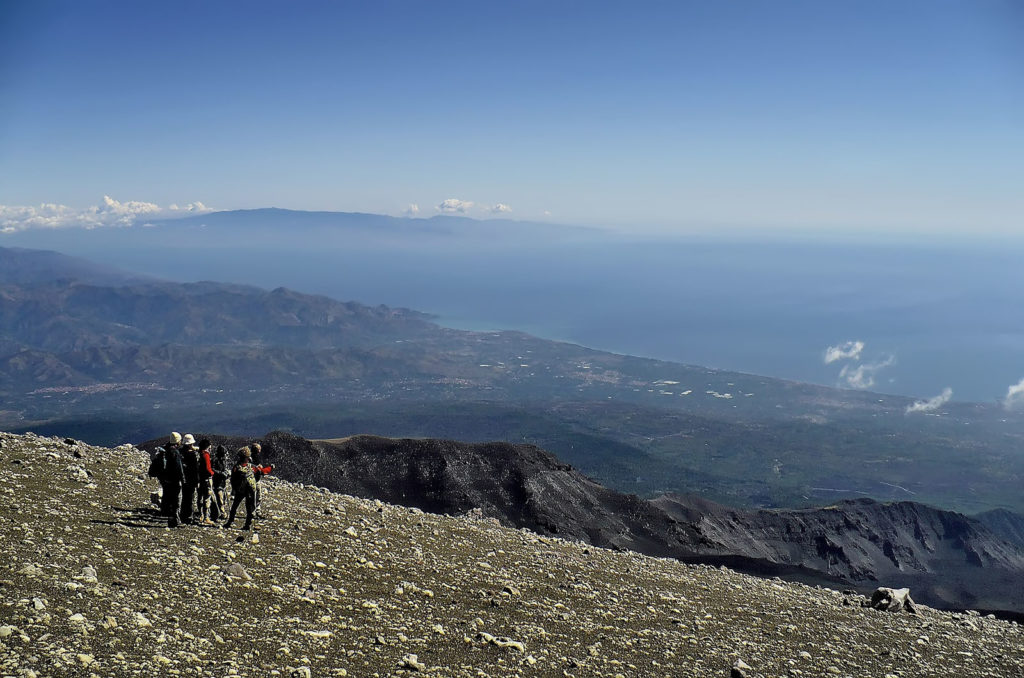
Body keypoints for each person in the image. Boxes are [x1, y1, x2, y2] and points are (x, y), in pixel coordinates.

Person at [224, 447, 257, 530]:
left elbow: (233, 479)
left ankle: (230, 521)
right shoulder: (252, 467)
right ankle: (247, 524)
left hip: (240, 489)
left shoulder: (236, 467)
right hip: (250, 490)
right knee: (249, 508)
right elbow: (261, 472)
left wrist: (234, 489)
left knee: (235, 506)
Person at [158, 432, 184, 527]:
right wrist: (183, 480)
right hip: (174, 480)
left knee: (169, 499)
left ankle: (170, 519)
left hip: (166, 480)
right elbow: (179, 468)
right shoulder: (175, 452)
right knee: (176, 501)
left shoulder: (166, 450)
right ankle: (175, 521)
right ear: (177, 441)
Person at [179, 434, 200, 525]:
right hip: (191, 479)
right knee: (190, 498)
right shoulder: (192, 455)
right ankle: (188, 516)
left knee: (185, 497)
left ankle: (183, 515)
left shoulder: (180, 452)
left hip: (183, 479)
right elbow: (195, 469)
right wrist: (197, 481)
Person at [196, 439, 216, 525]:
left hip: (199, 479)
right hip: (207, 479)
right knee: (207, 498)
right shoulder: (206, 455)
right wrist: (212, 473)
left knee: (200, 497)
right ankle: (206, 517)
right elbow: (208, 468)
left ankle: (200, 515)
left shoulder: (199, 454)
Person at [211, 444, 229, 522]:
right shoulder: (215, 460)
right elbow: (212, 469)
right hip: (217, 482)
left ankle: (221, 512)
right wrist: (221, 473)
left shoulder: (223, 461)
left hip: (222, 482)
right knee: (220, 498)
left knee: (222, 498)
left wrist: (226, 473)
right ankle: (221, 512)